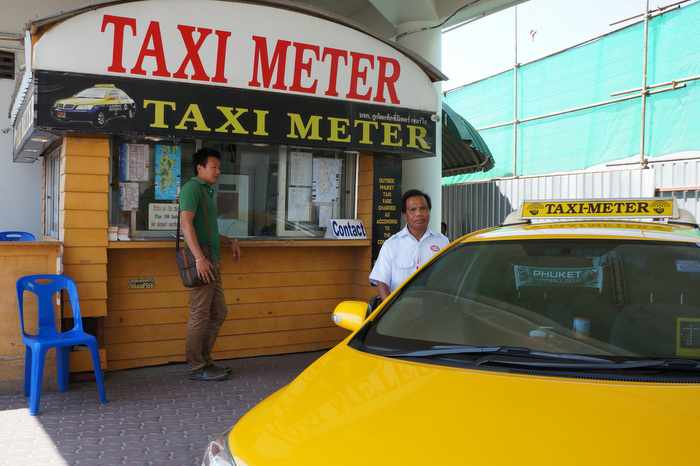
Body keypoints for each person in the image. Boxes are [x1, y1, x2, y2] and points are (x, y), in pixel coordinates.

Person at [179, 147, 241, 381]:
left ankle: (205, 360)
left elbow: (208, 230)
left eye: (219, 167)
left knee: (219, 312)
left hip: (211, 260)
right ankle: (197, 366)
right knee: (200, 313)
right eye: (214, 167)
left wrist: (229, 240)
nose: (218, 171)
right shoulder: (192, 189)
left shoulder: (207, 191)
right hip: (202, 262)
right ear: (200, 168)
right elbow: (187, 225)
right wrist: (199, 259)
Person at [369, 189, 449, 301]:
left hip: (435, 307)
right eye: (413, 210)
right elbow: (382, 282)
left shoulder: (443, 242)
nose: (419, 214)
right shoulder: (391, 245)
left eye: (423, 209)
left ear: (429, 211)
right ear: (405, 215)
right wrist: (391, 311)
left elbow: (450, 278)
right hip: (402, 310)